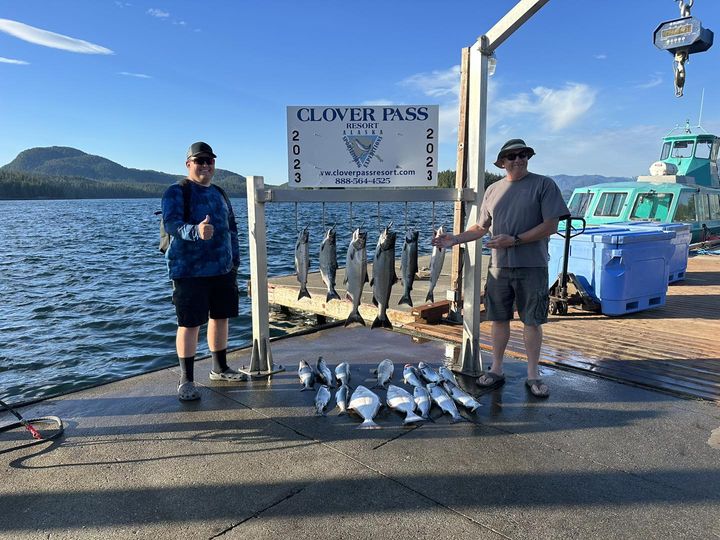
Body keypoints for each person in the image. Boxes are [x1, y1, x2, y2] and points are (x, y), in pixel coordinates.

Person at [432, 139, 569, 398]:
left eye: (523, 155)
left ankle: (533, 374)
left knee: (532, 321)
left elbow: (551, 226)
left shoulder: (544, 185)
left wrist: (514, 240)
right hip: (498, 267)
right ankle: (496, 369)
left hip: (533, 266)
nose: (518, 159)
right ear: (502, 162)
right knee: (498, 319)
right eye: (512, 156)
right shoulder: (493, 190)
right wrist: (455, 239)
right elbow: (481, 228)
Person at [161, 141, 245, 401]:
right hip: (188, 271)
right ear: (188, 165)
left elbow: (231, 228)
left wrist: (235, 259)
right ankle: (186, 379)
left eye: (210, 160)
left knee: (221, 317)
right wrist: (195, 231)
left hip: (222, 269)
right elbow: (172, 224)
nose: (206, 165)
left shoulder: (220, 193)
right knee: (189, 323)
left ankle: (219, 367)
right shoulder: (176, 191)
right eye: (200, 161)